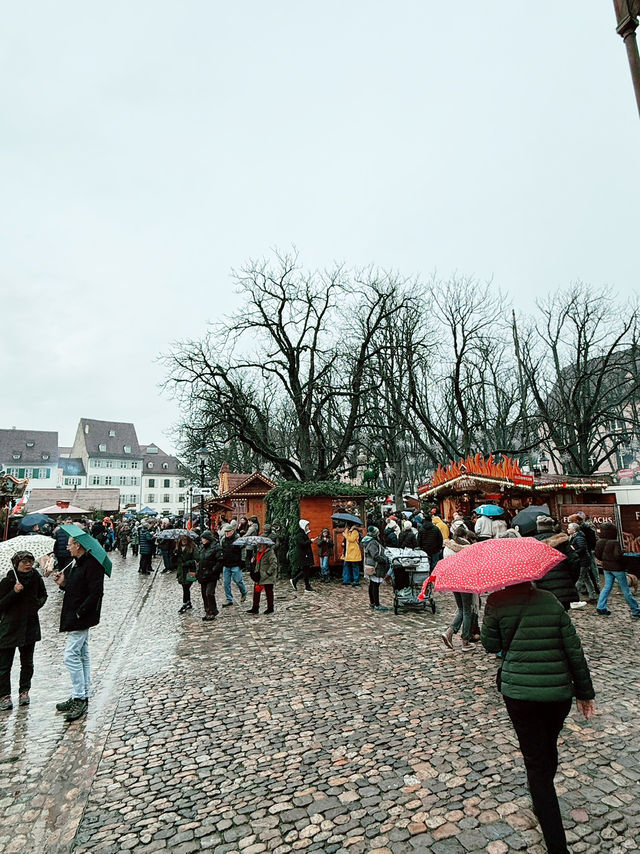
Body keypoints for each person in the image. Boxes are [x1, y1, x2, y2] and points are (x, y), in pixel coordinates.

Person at [481, 581, 595, 854]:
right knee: (547, 747)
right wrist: (584, 692)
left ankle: (556, 844)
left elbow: (490, 644)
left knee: (535, 761)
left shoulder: (496, 602)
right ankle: (542, 792)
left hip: (520, 695)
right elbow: (574, 649)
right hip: (557, 696)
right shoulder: (550, 600)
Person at [53, 535, 105, 722]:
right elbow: (75, 589)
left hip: (81, 617)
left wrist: (80, 613)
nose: (67, 549)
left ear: (78, 545)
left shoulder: (92, 565)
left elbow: (95, 593)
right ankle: (82, 693)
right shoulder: (76, 563)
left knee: (71, 655)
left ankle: (79, 696)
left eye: (69, 545)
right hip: (75, 614)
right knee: (82, 654)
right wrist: (63, 584)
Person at [0, 551, 48, 711]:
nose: (28, 565)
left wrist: (35, 606)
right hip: (10, 627)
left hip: (29, 626)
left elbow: (43, 595)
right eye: (25, 562)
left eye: (31, 561)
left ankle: (24, 692)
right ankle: (5, 695)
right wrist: (14, 592)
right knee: (4, 665)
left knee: (27, 663)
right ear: (16, 564)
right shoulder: (8, 581)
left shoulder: (36, 578)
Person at [533, 516, 580, 610]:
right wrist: (571, 578)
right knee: (563, 614)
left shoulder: (533, 544)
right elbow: (574, 561)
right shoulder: (562, 541)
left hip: (542, 587)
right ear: (552, 527)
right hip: (563, 586)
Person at [440, 529, 476, 652]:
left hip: (453, 579)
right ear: (465, 536)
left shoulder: (447, 548)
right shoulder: (467, 548)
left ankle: (449, 632)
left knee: (461, 609)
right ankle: (465, 641)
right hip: (465, 580)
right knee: (467, 610)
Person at [595, 523, 640, 618]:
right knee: (625, 589)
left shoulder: (599, 542)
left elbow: (598, 555)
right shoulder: (614, 543)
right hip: (617, 569)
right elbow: (618, 556)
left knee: (607, 587)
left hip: (607, 568)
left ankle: (601, 607)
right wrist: (624, 557)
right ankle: (636, 610)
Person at [567, 522, 598, 603]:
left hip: (583, 561)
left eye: (569, 528)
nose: (567, 529)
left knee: (580, 579)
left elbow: (582, 549)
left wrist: (573, 553)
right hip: (583, 560)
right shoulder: (574, 537)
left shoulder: (579, 538)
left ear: (574, 530)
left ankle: (574, 597)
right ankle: (592, 595)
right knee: (586, 578)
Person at [361, 526, 389, 612]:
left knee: (372, 584)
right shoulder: (372, 542)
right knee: (375, 585)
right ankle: (376, 604)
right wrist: (384, 559)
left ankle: (372, 603)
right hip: (375, 566)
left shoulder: (367, 540)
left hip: (370, 564)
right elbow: (375, 555)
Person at [246, 540, 278, 615]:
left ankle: (270, 608)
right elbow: (257, 564)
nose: (258, 546)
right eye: (258, 545)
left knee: (269, 592)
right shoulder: (258, 553)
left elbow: (274, 564)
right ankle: (255, 608)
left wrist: (268, 573)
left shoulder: (270, 553)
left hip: (267, 576)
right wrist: (252, 562)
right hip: (259, 576)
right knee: (256, 591)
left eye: (260, 545)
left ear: (265, 545)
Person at [220, 524, 247, 606]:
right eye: (226, 532)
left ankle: (244, 592)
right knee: (226, 582)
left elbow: (243, 550)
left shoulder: (238, 540)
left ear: (232, 531)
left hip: (236, 563)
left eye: (228, 532)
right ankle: (229, 598)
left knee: (238, 580)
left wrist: (243, 561)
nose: (227, 533)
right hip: (226, 564)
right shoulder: (223, 540)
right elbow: (221, 549)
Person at [197, 531, 222, 621]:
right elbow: (200, 559)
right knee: (204, 593)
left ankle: (213, 610)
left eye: (204, 538)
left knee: (209, 593)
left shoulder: (216, 547)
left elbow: (219, 561)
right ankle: (208, 611)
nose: (202, 540)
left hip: (211, 574)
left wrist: (213, 570)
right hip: (203, 573)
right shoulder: (202, 547)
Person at [175, 535, 199, 614]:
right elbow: (175, 561)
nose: (183, 541)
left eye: (185, 539)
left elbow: (196, 559)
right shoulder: (178, 548)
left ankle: (185, 603)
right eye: (182, 539)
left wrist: (187, 563)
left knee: (186, 586)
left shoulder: (192, 547)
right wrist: (174, 554)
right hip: (181, 571)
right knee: (184, 587)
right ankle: (188, 602)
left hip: (190, 571)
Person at [292, 520, 315, 592]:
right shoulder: (300, 535)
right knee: (305, 570)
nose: (308, 527)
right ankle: (298, 581)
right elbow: (302, 544)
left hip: (305, 554)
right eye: (307, 526)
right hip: (303, 555)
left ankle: (298, 582)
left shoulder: (303, 534)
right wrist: (310, 541)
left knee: (306, 571)